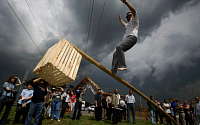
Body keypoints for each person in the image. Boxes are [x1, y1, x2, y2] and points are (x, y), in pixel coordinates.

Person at [111, 0, 139, 75]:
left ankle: (123, 65)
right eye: (127, 17)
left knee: (119, 46)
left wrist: (126, 3)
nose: (128, 17)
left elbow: (134, 11)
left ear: (132, 16)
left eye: (130, 15)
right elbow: (124, 25)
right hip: (128, 40)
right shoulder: (128, 24)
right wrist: (120, 20)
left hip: (132, 38)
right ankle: (113, 71)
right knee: (115, 54)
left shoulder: (134, 20)